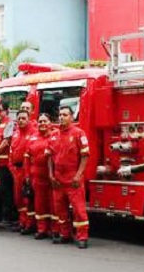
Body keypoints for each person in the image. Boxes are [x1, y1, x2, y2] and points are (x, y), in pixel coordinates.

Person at [46, 106, 90, 249]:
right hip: (58, 179)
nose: (61, 117)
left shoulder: (79, 133)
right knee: (60, 209)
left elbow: (85, 156)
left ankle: (82, 237)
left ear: (72, 117)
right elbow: (50, 158)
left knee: (78, 209)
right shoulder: (53, 135)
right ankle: (65, 234)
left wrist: (78, 176)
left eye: (65, 114)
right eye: (60, 114)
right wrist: (51, 175)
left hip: (73, 179)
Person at [25, 113, 59, 239]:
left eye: (45, 121)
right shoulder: (33, 137)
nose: (42, 124)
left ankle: (55, 230)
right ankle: (42, 229)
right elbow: (27, 158)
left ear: (50, 122)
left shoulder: (56, 136)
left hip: (52, 176)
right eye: (40, 121)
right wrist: (27, 175)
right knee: (39, 204)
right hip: (37, 177)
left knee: (54, 204)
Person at [9, 109, 36, 234]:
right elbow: (11, 152)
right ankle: (22, 222)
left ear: (29, 118)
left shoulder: (34, 133)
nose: (21, 120)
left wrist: (28, 173)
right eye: (19, 118)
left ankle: (29, 224)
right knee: (18, 198)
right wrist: (12, 168)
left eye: (23, 118)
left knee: (27, 199)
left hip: (28, 171)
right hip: (16, 170)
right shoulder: (15, 133)